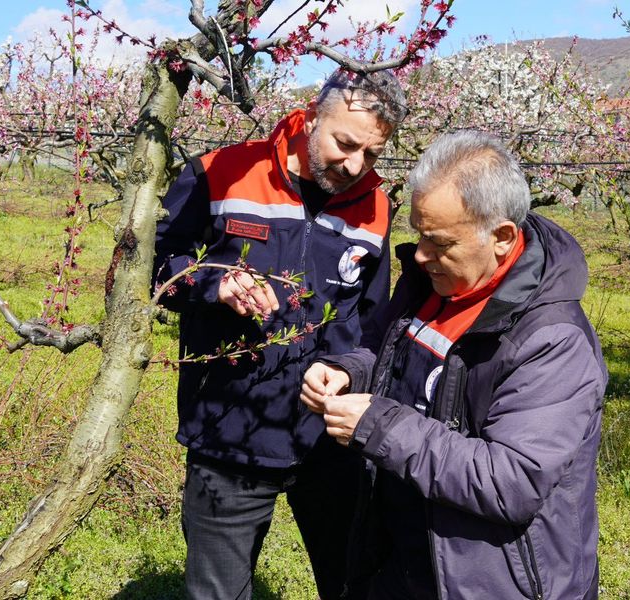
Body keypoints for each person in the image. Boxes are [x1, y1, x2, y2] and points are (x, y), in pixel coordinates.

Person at [302, 130, 607, 599]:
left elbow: (510, 481)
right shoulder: (432, 283)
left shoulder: (551, 340)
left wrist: (379, 426)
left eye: (440, 242)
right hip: (400, 553)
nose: (421, 255)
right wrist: (350, 371)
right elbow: (387, 350)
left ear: (502, 237)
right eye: (419, 236)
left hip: (486, 579)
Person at [153, 69, 407, 600]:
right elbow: (151, 269)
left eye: (373, 154)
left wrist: (345, 372)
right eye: (345, 143)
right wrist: (213, 284)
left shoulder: (377, 206)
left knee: (354, 583)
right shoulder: (219, 173)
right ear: (311, 117)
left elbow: (373, 322)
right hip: (229, 435)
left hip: (332, 439)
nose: (356, 165)